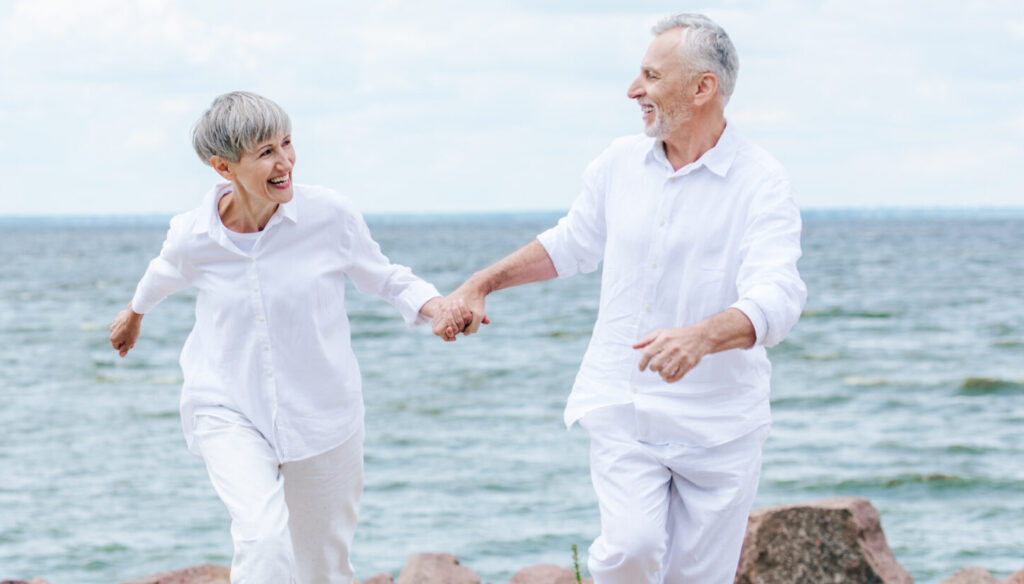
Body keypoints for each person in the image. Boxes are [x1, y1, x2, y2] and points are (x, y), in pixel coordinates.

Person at [433, 13, 807, 584]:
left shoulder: (762, 182)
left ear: (702, 88)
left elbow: (778, 296)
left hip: (721, 425)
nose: (634, 90)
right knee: (630, 550)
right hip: (623, 402)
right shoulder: (619, 163)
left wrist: (702, 337)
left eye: (652, 76)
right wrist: (483, 282)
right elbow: (572, 243)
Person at [109, 91, 454, 584]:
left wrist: (436, 306)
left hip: (323, 414)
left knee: (323, 570)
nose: (285, 161)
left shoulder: (329, 215)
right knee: (263, 541)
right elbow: (164, 271)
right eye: (266, 151)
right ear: (223, 167)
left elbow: (385, 277)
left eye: (287, 143)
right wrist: (134, 313)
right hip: (228, 407)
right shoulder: (195, 234)